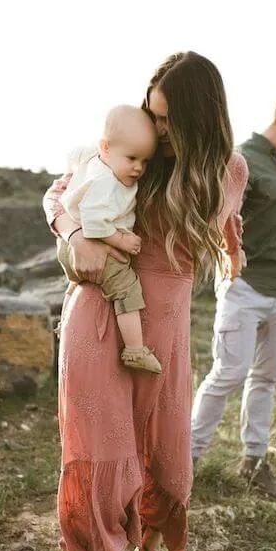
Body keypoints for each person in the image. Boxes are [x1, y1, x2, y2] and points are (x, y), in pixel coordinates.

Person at [43, 51, 248, 551]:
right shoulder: (124, 153)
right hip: (98, 316)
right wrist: (76, 234)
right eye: (151, 115)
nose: (154, 132)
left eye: (165, 121)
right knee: (101, 454)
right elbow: (59, 194)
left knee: (164, 456)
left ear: (197, 119)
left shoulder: (228, 170)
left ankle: (148, 535)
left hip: (167, 329)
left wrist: (234, 248)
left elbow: (227, 217)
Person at [191, 92, 276, 502]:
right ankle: (185, 462)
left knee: (265, 379)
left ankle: (254, 462)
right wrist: (229, 262)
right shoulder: (241, 160)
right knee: (228, 374)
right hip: (243, 288)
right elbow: (217, 220)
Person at [56, 105, 161, 374]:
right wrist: (121, 241)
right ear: (105, 147)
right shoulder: (107, 181)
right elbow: (93, 222)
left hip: (67, 248)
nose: (138, 168)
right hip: (90, 242)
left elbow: (74, 154)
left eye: (145, 161)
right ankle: (135, 350)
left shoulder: (95, 157)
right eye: (132, 158)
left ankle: (63, 321)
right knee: (126, 288)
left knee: (74, 282)